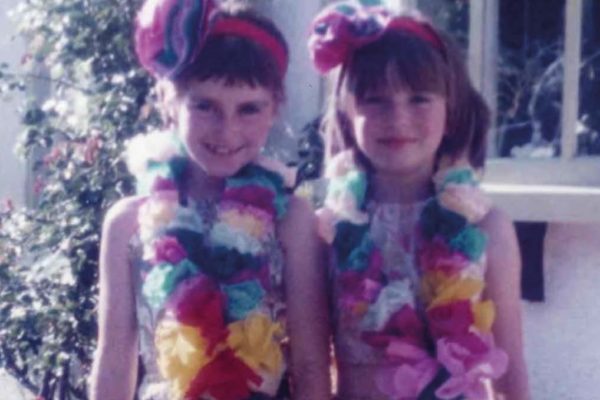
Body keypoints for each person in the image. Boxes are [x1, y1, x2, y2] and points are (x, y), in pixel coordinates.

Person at [89, 1, 330, 399]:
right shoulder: (128, 223)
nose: (227, 130)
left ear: (274, 109)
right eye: (205, 105)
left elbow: (310, 364)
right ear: (169, 100)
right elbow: (115, 359)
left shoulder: (291, 220)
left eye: (249, 108)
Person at [308, 2, 530, 399]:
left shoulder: (487, 228)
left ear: (452, 109)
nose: (398, 117)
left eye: (419, 99)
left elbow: (510, 373)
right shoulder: (325, 228)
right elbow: (312, 368)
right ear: (346, 110)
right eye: (375, 99)